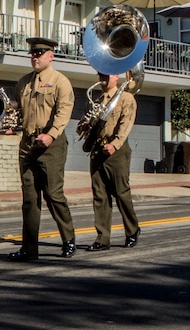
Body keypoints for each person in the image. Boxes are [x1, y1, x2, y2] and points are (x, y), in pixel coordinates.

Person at [10, 37, 76, 262]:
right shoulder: (24, 82)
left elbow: (64, 112)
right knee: (29, 197)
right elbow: (16, 108)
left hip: (51, 143)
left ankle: (68, 239)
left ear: (51, 56)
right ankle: (29, 248)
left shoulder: (60, 82)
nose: (35, 57)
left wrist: (51, 134)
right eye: (33, 53)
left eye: (40, 53)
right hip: (28, 143)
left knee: (53, 194)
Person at [85, 71, 141, 251]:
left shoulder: (125, 98)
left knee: (121, 193)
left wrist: (115, 144)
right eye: (100, 75)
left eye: (106, 76)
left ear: (116, 76)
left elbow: (126, 124)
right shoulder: (98, 99)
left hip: (116, 151)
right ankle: (102, 238)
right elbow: (84, 124)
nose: (102, 79)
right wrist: (85, 126)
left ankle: (132, 230)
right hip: (98, 149)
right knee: (100, 195)